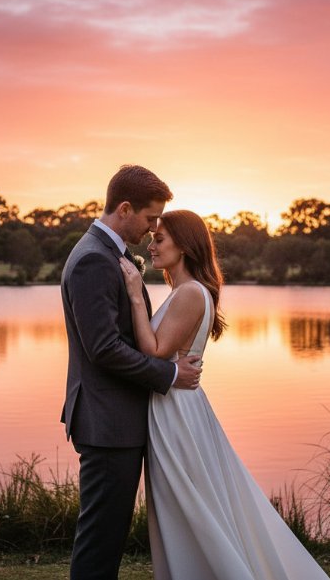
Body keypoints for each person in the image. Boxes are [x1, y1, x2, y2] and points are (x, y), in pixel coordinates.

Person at [118, 210, 330, 580]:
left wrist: (136, 297)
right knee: (186, 505)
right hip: (174, 408)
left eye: (160, 239)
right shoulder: (182, 292)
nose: (151, 246)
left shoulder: (190, 294)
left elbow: (153, 351)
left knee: (189, 505)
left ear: (184, 246)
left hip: (176, 415)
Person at [60, 165, 203, 580]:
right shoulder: (93, 260)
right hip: (107, 423)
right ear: (125, 208)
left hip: (117, 421)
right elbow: (103, 349)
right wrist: (169, 376)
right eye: (150, 218)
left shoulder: (109, 255)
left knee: (109, 537)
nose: (153, 227)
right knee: (100, 541)